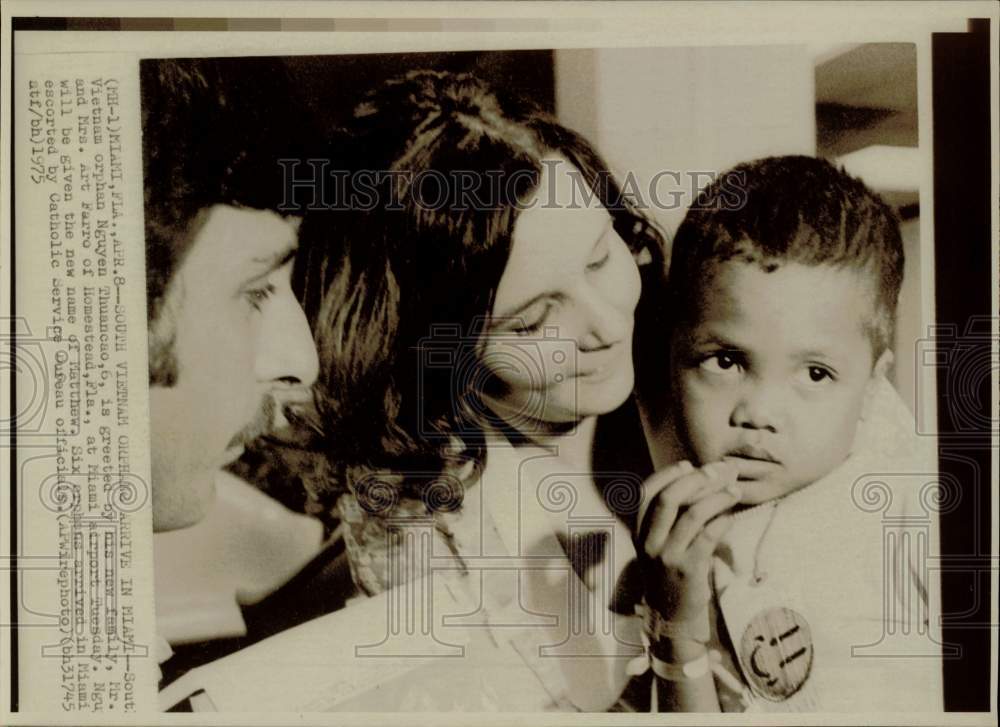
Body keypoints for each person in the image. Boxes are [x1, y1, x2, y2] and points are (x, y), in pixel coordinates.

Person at [293, 69, 683, 711]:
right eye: (532, 322)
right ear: (436, 348)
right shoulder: (417, 537)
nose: (608, 327)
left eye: (598, 259)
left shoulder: (703, 361)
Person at [633, 155, 942, 711]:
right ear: (671, 358)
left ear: (873, 385)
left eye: (816, 374)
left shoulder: (921, 500)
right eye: (725, 361)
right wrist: (677, 626)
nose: (759, 414)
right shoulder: (674, 538)